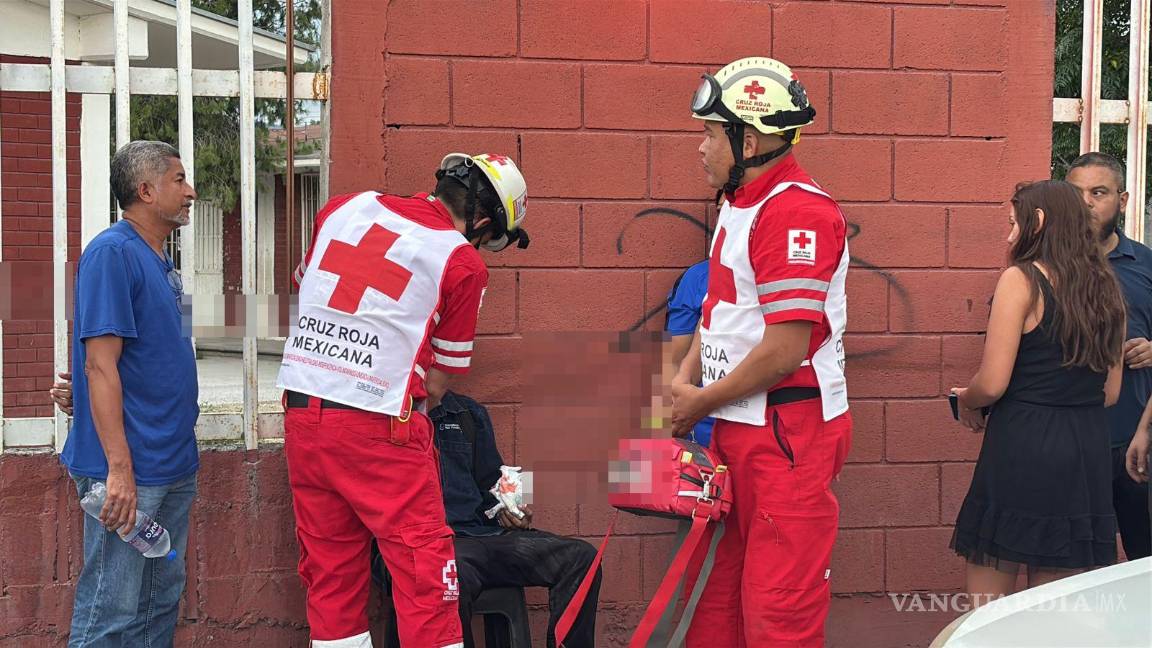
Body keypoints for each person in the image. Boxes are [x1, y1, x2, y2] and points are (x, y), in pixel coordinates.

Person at [275, 153, 530, 648]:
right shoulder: (462, 261)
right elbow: (437, 385)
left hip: (304, 417)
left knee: (331, 578)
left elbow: (308, 290)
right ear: (482, 221)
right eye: (493, 238)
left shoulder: (343, 208)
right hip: (380, 427)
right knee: (427, 579)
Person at [668, 57, 853, 647]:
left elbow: (783, 351)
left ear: (748, 138)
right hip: (739, 422)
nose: (700, 147)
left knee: (779, 612)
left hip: (786, 429)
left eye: (709, 132)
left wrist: (695, 403)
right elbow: (722, 311)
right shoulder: (743, 200)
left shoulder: (796, 211)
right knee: (719, 600)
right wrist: (683, 382)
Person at [950, 180, 1126, 604]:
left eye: (1014, 223)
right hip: (1085, 447)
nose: (1009, 235)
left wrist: (966, 400)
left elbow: (992, 382)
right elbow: (1111, 393)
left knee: (989, 609)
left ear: (1039, 221)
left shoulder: (1021, 279)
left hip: (1025, 440)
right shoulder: (1108, 288)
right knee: (1053, 612)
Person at [54, 140, 200, 647]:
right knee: (112, 613)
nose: (191, 192)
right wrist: (119, 471)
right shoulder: (112, 253)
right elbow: (101, 363)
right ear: (145, 190)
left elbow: (135, 357)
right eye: (179, 180)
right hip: (130, 473)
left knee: (160, 603)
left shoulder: (160, 260)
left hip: (173, 462)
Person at [373, 391, 601, 648]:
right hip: (416, 546)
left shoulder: (466, 414)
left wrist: (508, 511)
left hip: (479, 537)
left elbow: (489, 488)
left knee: (581, 558)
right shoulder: (378, 412)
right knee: (447, 576)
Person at [1065, 152, 1152, 559]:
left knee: (1144, 560)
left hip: (1139, 441)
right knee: (1076, 569)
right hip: (1071, 443)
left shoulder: (1147, 265)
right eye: (1075, 192)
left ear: (1123, 200)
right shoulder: (1047, 269)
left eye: (1098, 192)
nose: (1086, 203)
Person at [665, 259, 714, 447]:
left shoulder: (791, 276)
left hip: (769, 424)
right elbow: (674, 366)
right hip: (702, 434)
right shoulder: (699, 278)